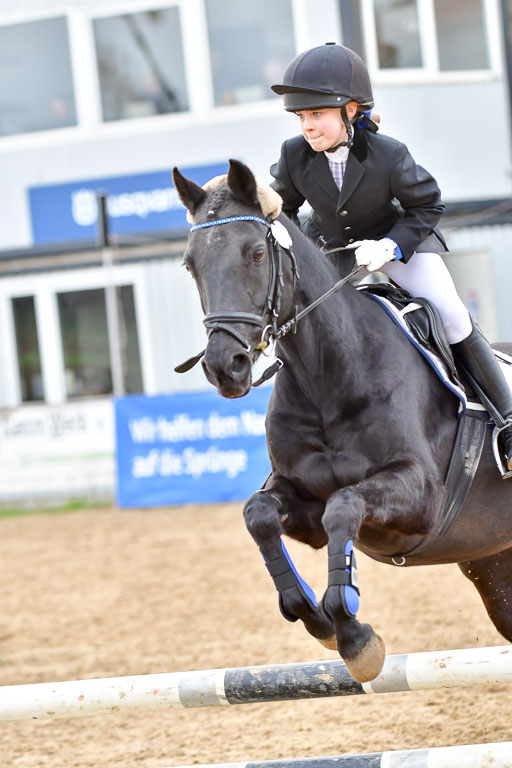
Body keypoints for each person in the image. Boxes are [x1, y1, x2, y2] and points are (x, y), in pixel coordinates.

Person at [270, 42, 512, 474]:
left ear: (349, 110)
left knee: (452, 315)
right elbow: (282, 209)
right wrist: (298, 248)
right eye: (301, 117)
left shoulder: (390, 154)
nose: (307, 126)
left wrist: (392, 246)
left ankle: (508, 420)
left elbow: (428, 207)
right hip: (336, 252)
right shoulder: (293, 154)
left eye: (316, 115)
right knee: (309, 322)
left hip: (398, 245)